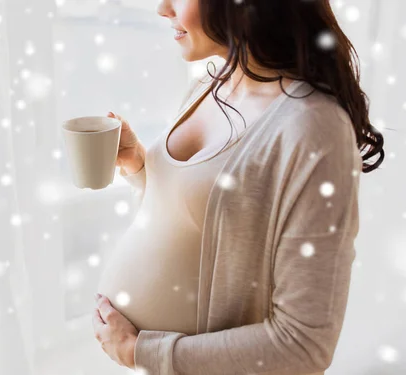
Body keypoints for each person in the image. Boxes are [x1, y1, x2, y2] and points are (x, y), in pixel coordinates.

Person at [93, 0, 385, 374]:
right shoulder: (210, 86)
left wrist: (142, 352)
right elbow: (204, 220)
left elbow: (304, 346)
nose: (162, 9)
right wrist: (140, 166)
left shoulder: (314, 128)